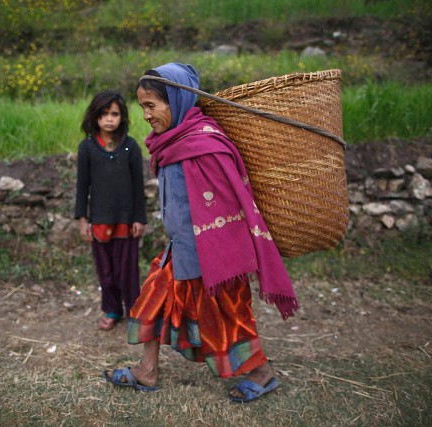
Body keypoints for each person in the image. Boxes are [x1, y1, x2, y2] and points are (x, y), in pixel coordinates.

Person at [103, 63, 299, 402]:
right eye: (142, 106)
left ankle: (261, 373)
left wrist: (215, 253)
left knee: (230, 314)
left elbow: (230, 202)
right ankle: (146, 371)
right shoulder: (170, 142)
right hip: (181, 247)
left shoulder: (205, 144)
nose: (146, 115)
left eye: (151, 105)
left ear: (176, 100)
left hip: (217, 254)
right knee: (154, 298)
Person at [74, 90, 147, 331]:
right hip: (100, 220)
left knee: (128, 271)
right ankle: (112, 309)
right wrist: (83, 219)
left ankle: (135, 311)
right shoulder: (87, 148)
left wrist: (139, 217)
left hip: (126, 221)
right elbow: (82, 185)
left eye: (114, 114)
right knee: (105, 271)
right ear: (95, 116)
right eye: (104, 113)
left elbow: (139, 186)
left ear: (122, 117)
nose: (109, 119)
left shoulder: (131, 147)